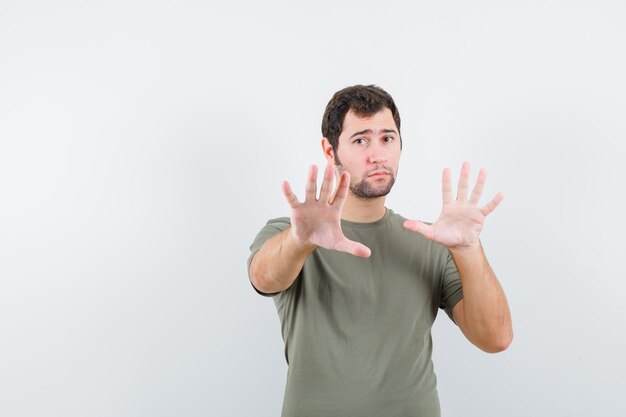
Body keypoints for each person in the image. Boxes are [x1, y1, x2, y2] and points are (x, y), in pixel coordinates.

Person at [247, 85, 512, 417]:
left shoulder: (429, 242)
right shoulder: (289, 235)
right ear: (330, 151)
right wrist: (301, 241)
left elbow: (495, 338)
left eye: (387, 139)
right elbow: (263, 278)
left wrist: (468, 248)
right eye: (360, 140)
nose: (377, 155)